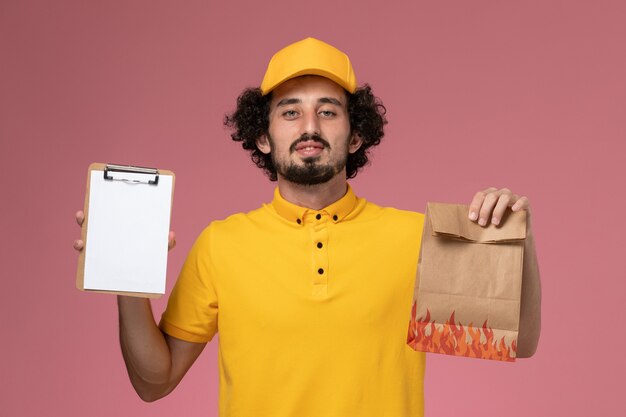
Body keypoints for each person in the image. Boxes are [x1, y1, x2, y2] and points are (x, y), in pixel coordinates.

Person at [74, 37, 541, 417]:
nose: (309, 126)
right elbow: (154, 383)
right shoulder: (222, 243)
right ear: (263, 134)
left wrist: (520, 238)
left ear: (356, 135)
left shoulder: (416, 237)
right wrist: (126, 277)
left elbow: (520, 342)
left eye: (329, 111)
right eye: (291, 111)